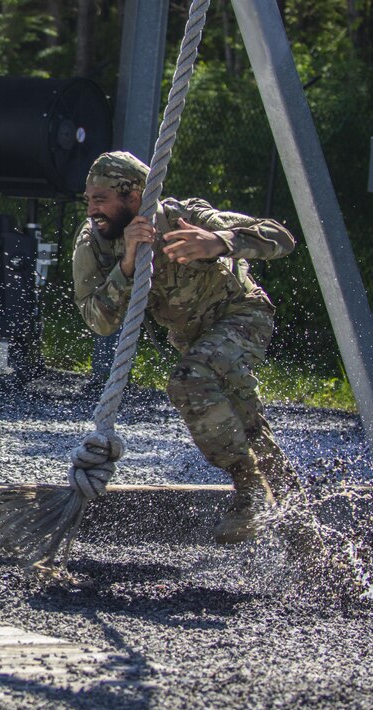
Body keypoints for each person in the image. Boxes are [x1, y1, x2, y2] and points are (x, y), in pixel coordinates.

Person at [72, 151, 298, 544]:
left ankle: (250, 493)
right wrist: (126, 265)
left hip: (242, 316)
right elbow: (98, 321)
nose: (92, 209)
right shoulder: (94, 242)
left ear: (134, 195)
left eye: (100, 198)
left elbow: (281, 238)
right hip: (195, 343)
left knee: (187, 381)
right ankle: (303, 526)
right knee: (248, 427)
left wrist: (219, 242)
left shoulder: (185, 217)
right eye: (89, 199)